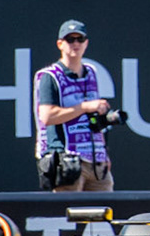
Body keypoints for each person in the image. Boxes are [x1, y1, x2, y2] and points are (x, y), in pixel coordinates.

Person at [33, 20, 114, 192]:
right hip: (67, 160)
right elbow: (47, 116)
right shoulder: (50, 76)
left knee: (104, 214)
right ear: (60, 44)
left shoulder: (91, 72)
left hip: (96, 160)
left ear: (86, 43)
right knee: (68, 214)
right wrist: (85, 107)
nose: (75, 44)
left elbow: (92, 119)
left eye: (80, 39)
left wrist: (104, 152)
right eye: (70, 39)